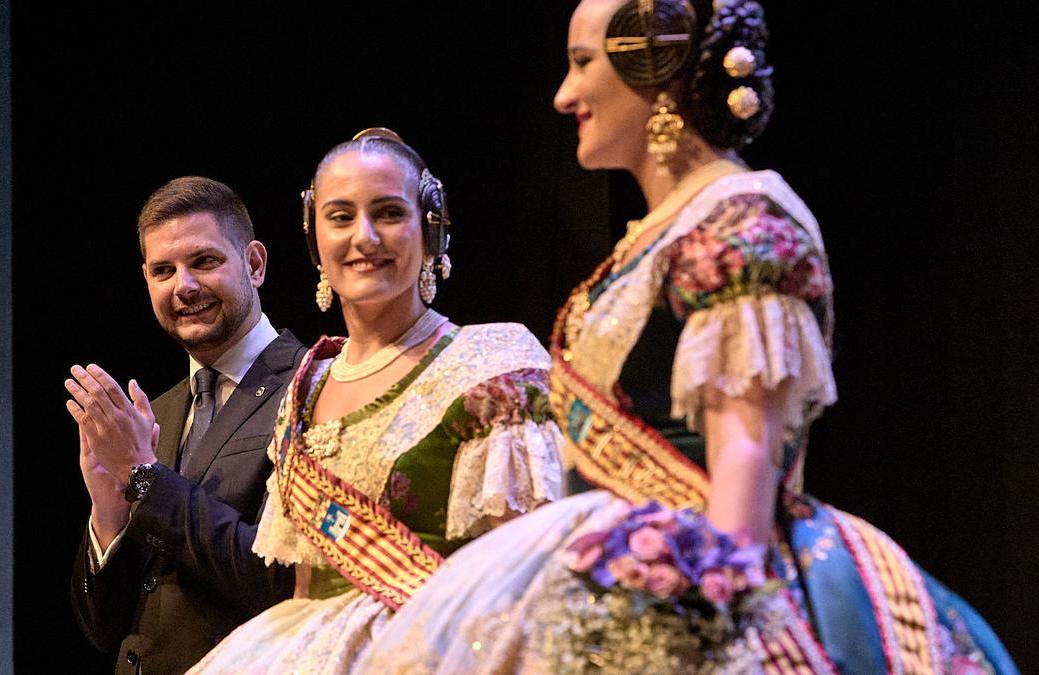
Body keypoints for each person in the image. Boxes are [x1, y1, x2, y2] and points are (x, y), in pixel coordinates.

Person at [356, 1, 1018, 673]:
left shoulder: (745, 223)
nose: (563, 95)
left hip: (698, 573)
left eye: (584, 64)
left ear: (659, 73)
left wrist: (706, 621)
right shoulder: (663, 231)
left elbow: (746, 455)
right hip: (606, 557)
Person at [186, 129, 565, 674]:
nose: (364, 237)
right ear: (314, 238)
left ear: (429, 229)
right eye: (340, 217)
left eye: (388, 213)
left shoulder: (492, 363)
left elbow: (529, 572)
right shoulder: (304, 387)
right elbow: (304, 582)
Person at [65, 176, 306, 674]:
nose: (184, 286)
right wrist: (108, 517)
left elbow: (280, 580)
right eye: (163, 271)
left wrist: (145, 476)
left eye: (204, 261)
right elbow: (103, 629)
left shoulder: (311, 388)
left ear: (254, 264)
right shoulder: (158, 412)